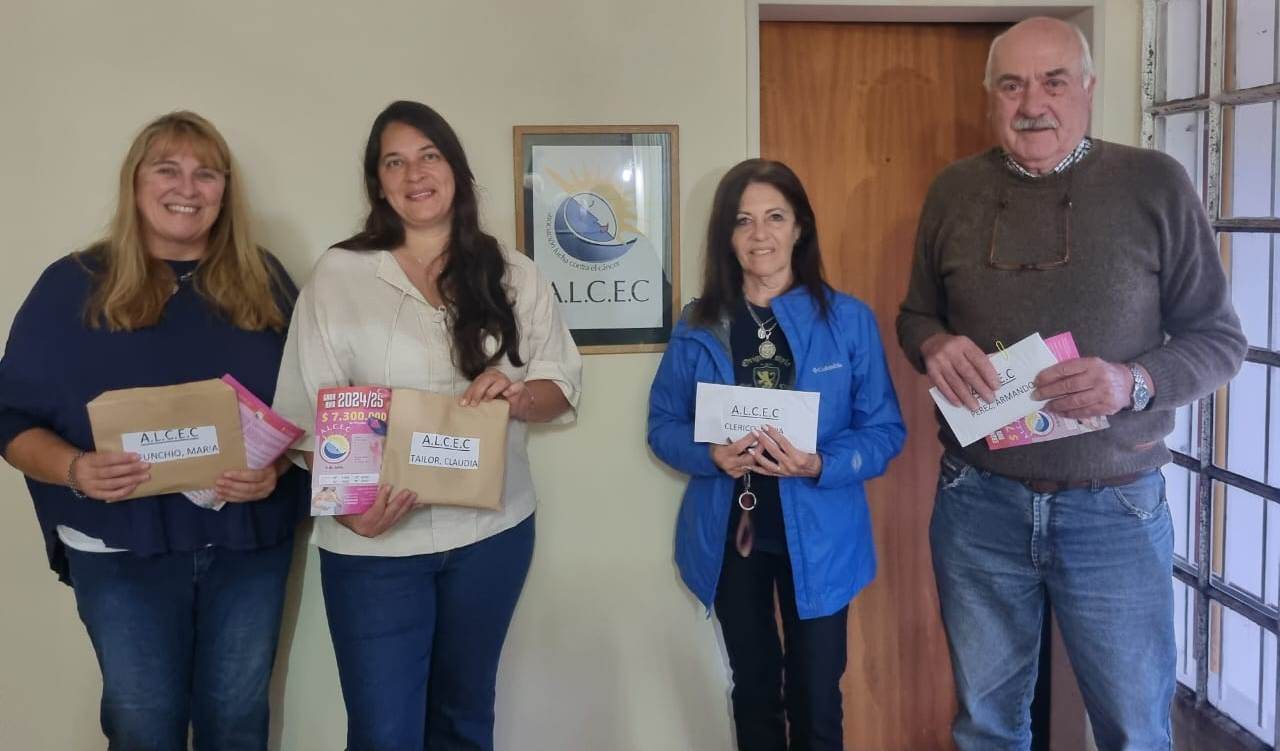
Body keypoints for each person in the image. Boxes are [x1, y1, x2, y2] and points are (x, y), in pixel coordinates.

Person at [896, 17, 1248, 751]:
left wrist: (1133, 381)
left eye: (1054, 82)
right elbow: (916, 314)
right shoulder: (953, 191)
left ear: (1087, 87)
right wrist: (932, 343)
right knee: (986, 727)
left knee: (1133, 730)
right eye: (1012, 85)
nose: (1033, 104)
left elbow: (1220, 341)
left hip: (1114, 507)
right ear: (990, 96)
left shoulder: (1154, 183)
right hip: (978, 503)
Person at [272, 100, 582, 751]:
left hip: (491, 534)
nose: (415, 173)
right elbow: (306, 411)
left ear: (456, 170)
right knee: (384, 734)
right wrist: (352, 511)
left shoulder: (514, 273)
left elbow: (559, 384)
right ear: (378, 183)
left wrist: (518, 398)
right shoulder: (338, 275)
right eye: (395, 161)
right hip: (376, 546)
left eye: (429, 155)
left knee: (464, 720)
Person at [0, 111, 307, 750]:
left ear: (225, 189)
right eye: (167, 169)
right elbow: (9, 415)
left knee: (236, 723)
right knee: (143, 726)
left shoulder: (266, 280)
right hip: (120, 549)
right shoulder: (72, 286)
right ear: (135, 182)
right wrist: (75, 470)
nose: (187, 188)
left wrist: (276, 469)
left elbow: (309, 411)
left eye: (206, 173)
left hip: (245, 545)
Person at [648, 158, 905, 750]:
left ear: (799, 228)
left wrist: (820, 463)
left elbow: (885, 431)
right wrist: (710, 456)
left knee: (816, 695)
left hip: (821, 536)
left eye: (775, 217)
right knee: (755, 689)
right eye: (743, 221)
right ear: (726, 234)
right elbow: (662, 426)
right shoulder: (698, 324)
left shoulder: (848, 320)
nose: (759, 234)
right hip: (731, 536)